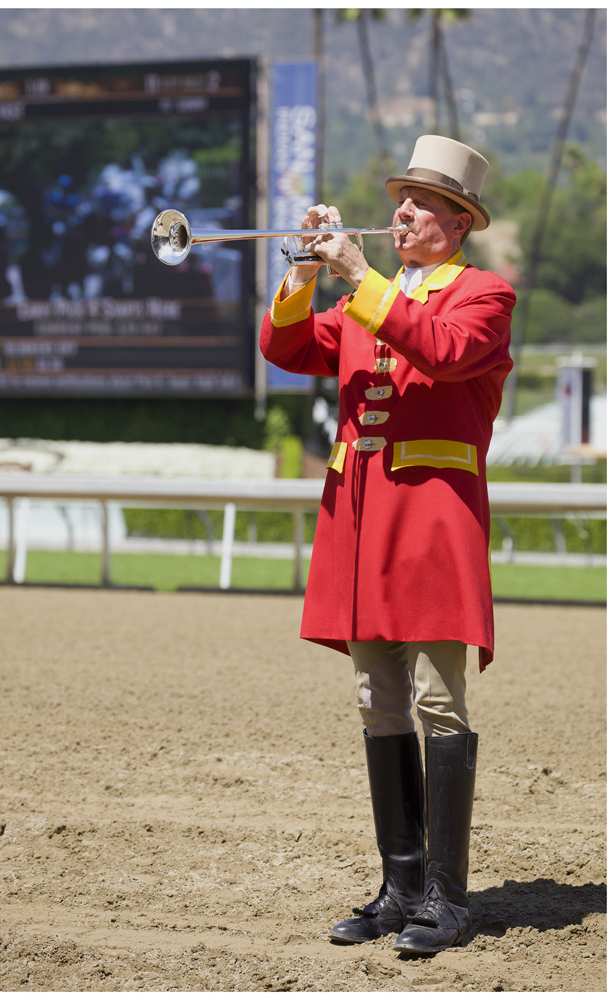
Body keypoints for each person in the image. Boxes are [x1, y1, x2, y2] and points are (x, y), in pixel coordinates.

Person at [259, 135, 516, 955]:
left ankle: (447, 898)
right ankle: (400, 886)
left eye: (416, 203)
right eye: (398, 200)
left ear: (457, 221)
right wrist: (303, 269)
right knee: (378, 701)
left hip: (434, 522)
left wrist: (358, 279)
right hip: (364, 522)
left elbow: (439, 353)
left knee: (440, 702)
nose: (398, 212)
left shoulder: (483, 294)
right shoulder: (380, 296)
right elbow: (287, 348)